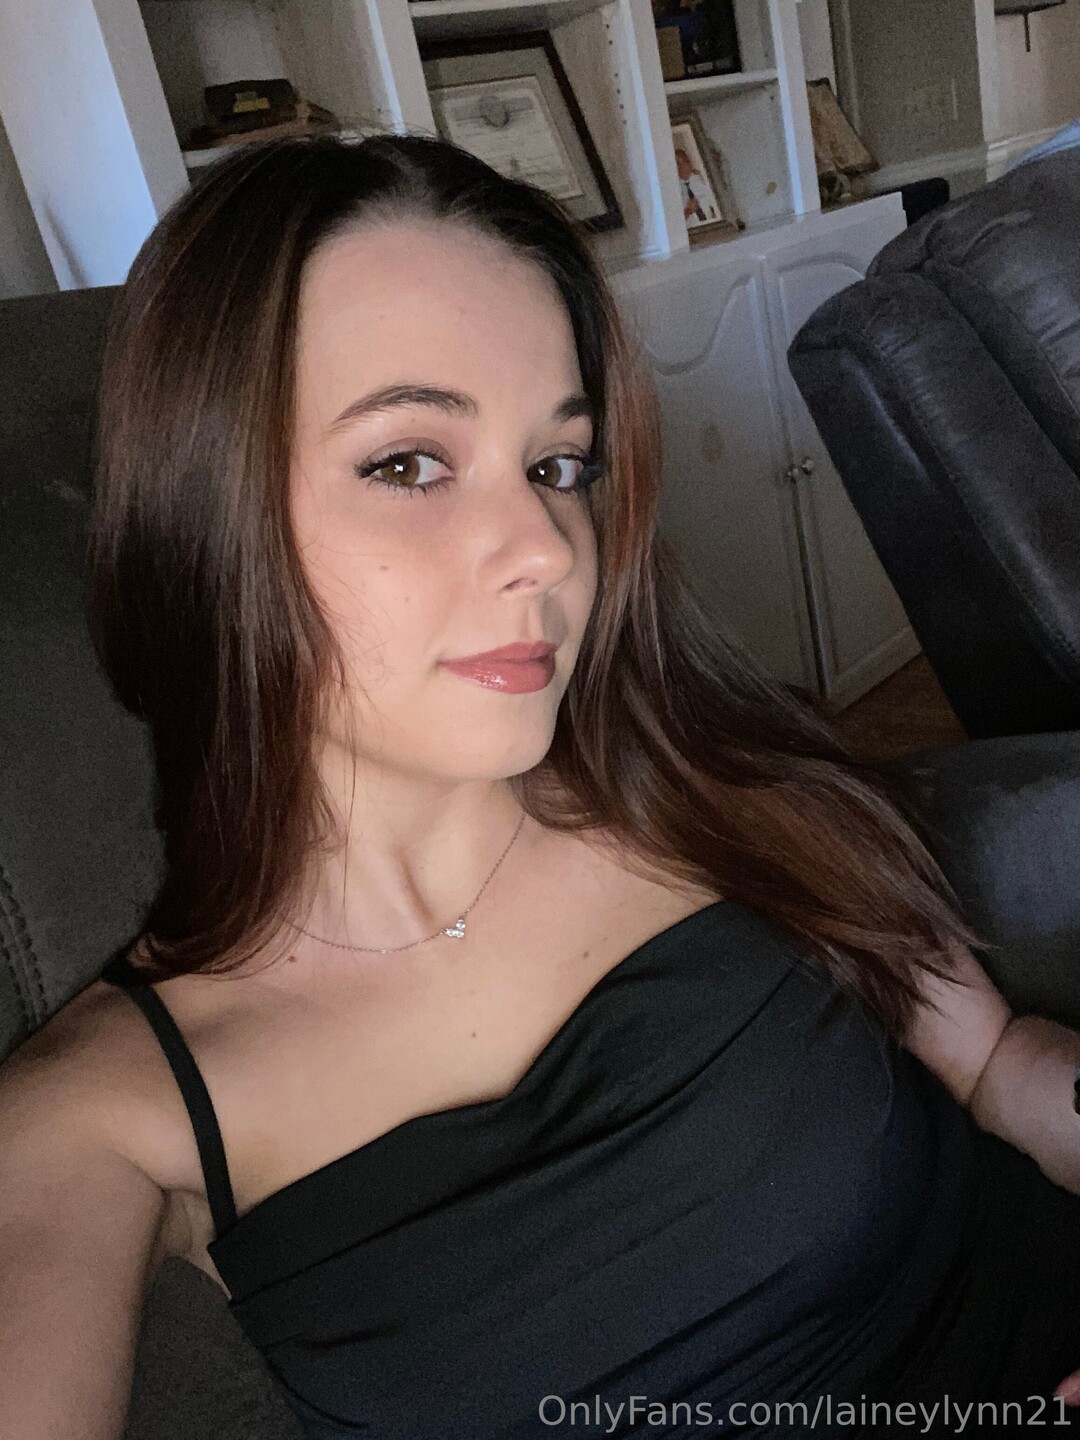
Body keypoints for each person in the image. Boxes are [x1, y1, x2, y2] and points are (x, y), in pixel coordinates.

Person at [1, 133, 1078, 1440]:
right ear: (201, 517)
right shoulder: (100, 1116)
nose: (546, 549)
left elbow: (1000, 1066)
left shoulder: (706, 788)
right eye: (408, 462)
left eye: (558, 466)